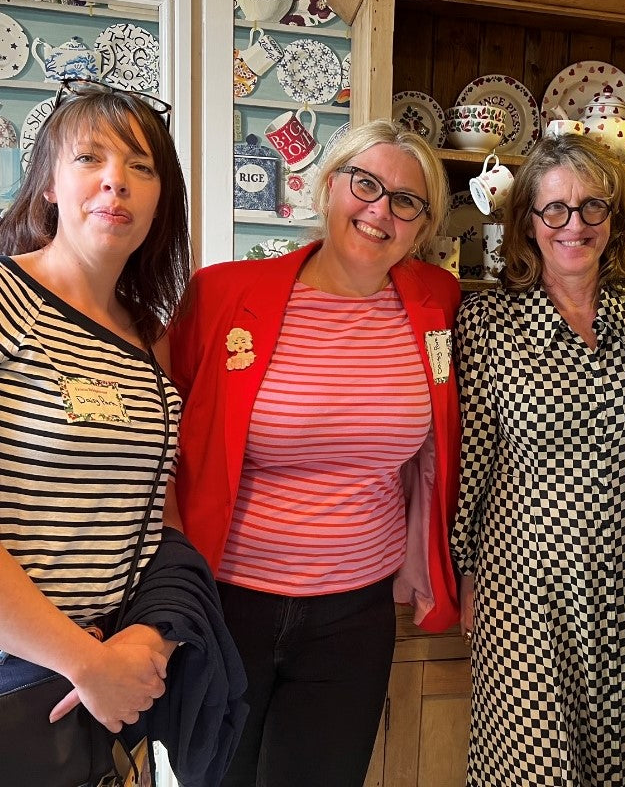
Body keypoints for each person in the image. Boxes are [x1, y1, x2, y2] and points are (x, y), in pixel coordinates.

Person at [169, 119, 462, 787]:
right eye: (365, 184)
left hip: (354, 615)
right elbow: (166, 433)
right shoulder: (222, 294)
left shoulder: (435, 303)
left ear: (422, 226)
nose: (380, 209)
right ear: (328, 188)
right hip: (226, 603)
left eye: (405, 201)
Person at [451, 133, 625, 786]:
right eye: (554, 210)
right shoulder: (487, 324)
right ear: (527, 223)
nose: (574, 224)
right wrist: (466, 578)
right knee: (530, 766)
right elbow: (473, 462)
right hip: (525, 590)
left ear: (613, 216)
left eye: (591, 207)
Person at [0, 80, 189, 738]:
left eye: (142, 167)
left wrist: (150, 638)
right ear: (49, 183)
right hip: (23, 673)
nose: (118, 182)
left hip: (110, 681)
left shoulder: (148, 336)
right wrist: (83, 661)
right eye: (91, 159)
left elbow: (159, 511)